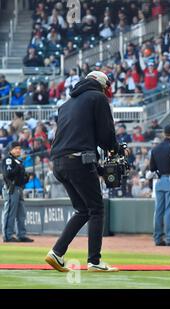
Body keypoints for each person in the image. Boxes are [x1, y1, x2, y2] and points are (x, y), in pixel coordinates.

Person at [45, 71, 123, 272]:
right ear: (101, 85)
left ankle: (56, 252)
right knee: (96, 209)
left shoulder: (65, 105)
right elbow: (106, 135)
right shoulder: (97, 97)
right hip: (78, 160)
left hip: (59, 163)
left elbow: (77, 137)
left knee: (83, 210)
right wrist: (116, 149)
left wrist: (96, 166)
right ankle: (94, 261)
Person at [1, 142, 34, 243]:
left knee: (21, 213)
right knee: (10, 212)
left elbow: (20, 177)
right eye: (15, 148)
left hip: (19, 188)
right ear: (11, 150)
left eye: (19, 148)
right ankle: (7, 235)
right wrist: (19, 167)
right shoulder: (8, 159)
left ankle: (22, 234)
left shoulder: (18, 161)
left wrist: (26, 178)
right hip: (11, 188)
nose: (18, 150)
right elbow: (8, 173)